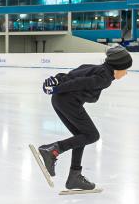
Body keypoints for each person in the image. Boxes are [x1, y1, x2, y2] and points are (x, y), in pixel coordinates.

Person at [35, 45, 132, 191]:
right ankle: (53, 150)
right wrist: (56, 88)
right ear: (118, 67)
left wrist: (56, 80)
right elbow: (78, 83)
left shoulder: (95, 68)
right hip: (68, 102)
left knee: (81, 136)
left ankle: (74, 176)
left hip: (59, 100)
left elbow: (74, 74)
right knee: (92, 135)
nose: (126, 74)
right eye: (125, 69)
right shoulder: (104, 78)